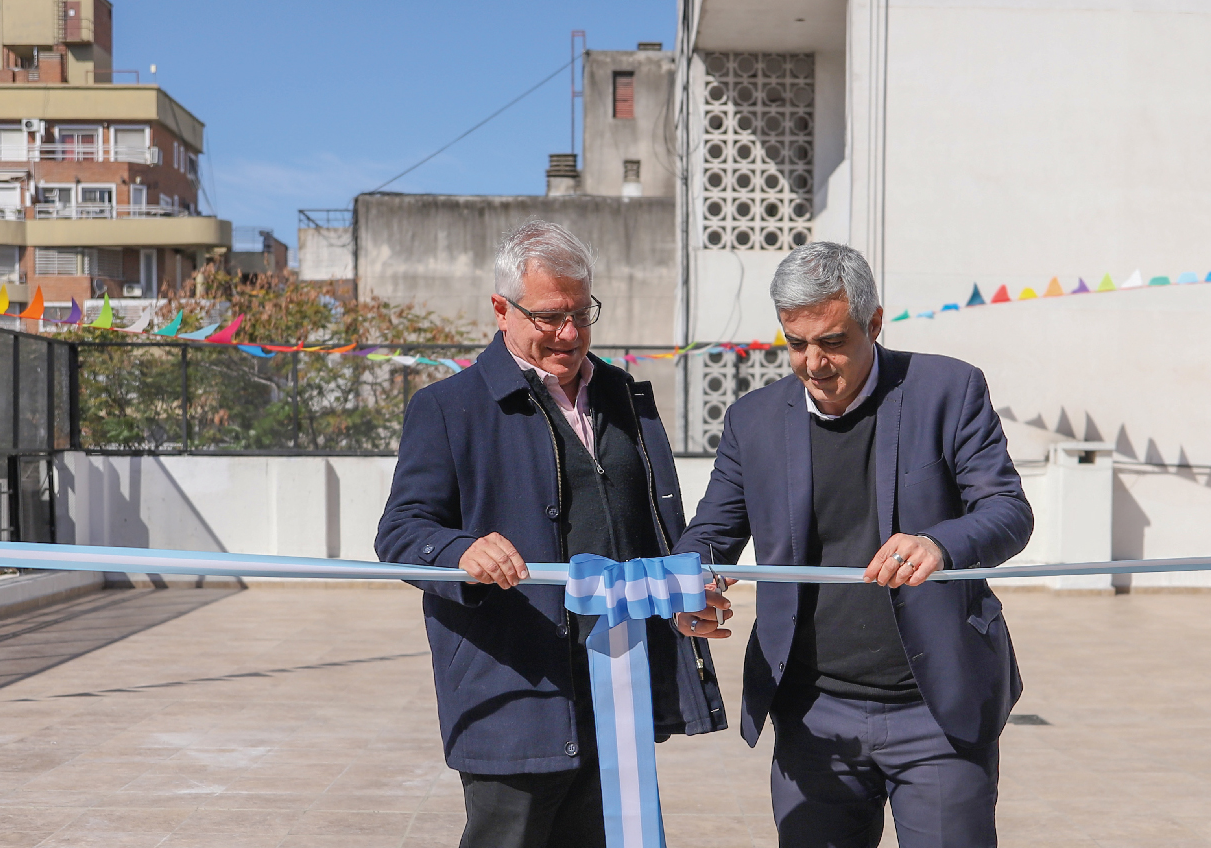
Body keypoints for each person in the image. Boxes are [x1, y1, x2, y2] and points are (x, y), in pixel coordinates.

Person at [376, 220, 732, 848]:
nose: (569, 334)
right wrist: (462, 551)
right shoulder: (447, 408)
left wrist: (684, 591)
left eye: (581, 313)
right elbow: (402, 532)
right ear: (501, 310)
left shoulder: (626, 397)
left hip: (617, 685)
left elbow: (652, 526)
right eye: (549, 317)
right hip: (514, 689)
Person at [675, 242, 1033, 848]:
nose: (813, 363)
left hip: (936, 711)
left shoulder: (948, 390)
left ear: (874, 323)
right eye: (795, 343)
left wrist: (940, 544)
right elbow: (711, 533)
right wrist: (693, 583)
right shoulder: (752, 420)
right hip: (813, 714)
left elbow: (1007, 511)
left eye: (833, 341)